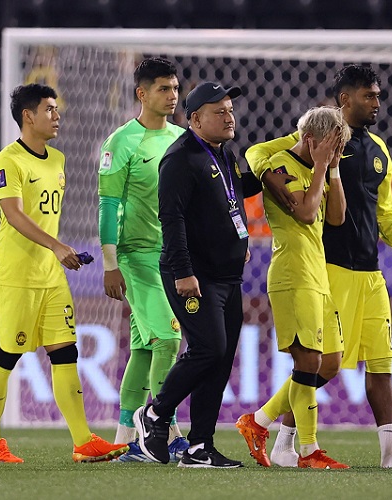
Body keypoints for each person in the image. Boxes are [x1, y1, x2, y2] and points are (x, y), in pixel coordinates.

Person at [245, 64, 392, 469]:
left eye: (378, 95)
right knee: (321, 364)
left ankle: (390, 452)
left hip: (371, 271)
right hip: (328, 268)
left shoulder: (379, 150)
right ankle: (280, 435)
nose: (377, 103)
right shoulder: (316, 140)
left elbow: (384, 215)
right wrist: (267, 173)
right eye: (369, 96)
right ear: (345, 100)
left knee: (381, 361)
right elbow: (259, 152)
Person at [0, 84, 129, 463]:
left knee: (66, 353)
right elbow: (13, 214)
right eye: (49, 109)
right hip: (15, 274)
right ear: (28, 116)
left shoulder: (58, 159)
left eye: (57, 109)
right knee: (6, 355)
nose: (57, 115)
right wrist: (57, 246)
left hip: (50, 276)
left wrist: (57, 252)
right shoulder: (8, 160)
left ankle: (83, 441)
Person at [134, 81, 262, 467]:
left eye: (230, 110)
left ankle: (198, 446)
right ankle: (154, 413)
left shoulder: (226, 154)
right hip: (194, 274)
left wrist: (281, 165)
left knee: (219, 359)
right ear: (194, 119)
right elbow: (170, 219)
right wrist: (183, 272)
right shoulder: (180, 158)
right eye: (218, 111)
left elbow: (236, 193)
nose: (228, 117)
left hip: (227, 277)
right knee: (209, 348)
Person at [236, 107, 351, 469]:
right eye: (333, 149)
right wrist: (320, 166)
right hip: (292, 273)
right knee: (309, 361)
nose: (337, 155)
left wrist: (331, 168)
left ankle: (258, 421)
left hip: (318, 274)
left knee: (329, 363)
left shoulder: (323, 168)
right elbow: (304, 213)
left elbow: (336, 217)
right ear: (313, 142)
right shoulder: (280, 167)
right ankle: (308, 450)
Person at [97, 57, 188, 462]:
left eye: (175, 89)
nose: (172, 96)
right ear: (142, 93)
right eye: (163, 89)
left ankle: (124, 437)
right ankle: (163, 431)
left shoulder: (182, 138)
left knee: (146, 350)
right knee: (169, 339)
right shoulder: (121, 142)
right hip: (136, 258)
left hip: (174, 258)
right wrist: (110, 263)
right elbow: (108, 205)